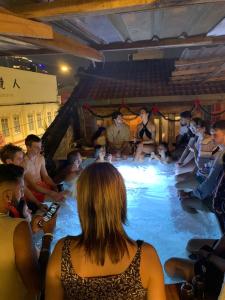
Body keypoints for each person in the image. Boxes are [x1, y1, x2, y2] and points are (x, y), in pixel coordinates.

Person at [46, 163, 166, 300]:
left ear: (82, 202)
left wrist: (47, 235)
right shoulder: (147, 256)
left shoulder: (62, 252)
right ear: (121, 200)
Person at [0, 164, 56, 300]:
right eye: (21, 189)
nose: (22, 194)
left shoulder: (19, 228)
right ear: (8, 195)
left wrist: (29, 232)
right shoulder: (19, 227)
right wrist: (48, 235)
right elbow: (38, 286)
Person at [180, 120, 225, 213]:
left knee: (184, 202)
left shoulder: (221, 156)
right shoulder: (218, 149)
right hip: (211, 185)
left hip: (220, 202)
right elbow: (206, 166)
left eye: (215, 135)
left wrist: (192, 194)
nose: (212, 138)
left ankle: (203, 225)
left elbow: (210, 181)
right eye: (211, 134)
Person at [0, 143, 47, 213]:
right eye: (19, 159)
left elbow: (25, 190)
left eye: (23, 159)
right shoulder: (10, 177)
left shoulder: (17, 173)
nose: (23, 162)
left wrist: (38, 204)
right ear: (9, 161)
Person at [176, 119, 217, 191]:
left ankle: (197, 195)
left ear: (204, 128)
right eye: (190, 126)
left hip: (207, 175)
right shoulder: (199, 138)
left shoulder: (206, 141)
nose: (192, 128)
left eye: (194, 126)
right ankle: (191, 194)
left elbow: (200, 164)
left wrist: (194, 150)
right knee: (178, 178)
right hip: (201, 171)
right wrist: (193, 172)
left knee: (178, 186)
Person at [23, 135, 65, 203]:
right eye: (36, 147)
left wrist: (54, 186)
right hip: (32, 190)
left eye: (40, 147)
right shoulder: (23, 163)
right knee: (57, 200)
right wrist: (51, 193)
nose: (40, 150)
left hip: (42, 186)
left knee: (64, 194)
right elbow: (33, 185)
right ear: (28, 147)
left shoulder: (40, 158)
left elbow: (45, 176)